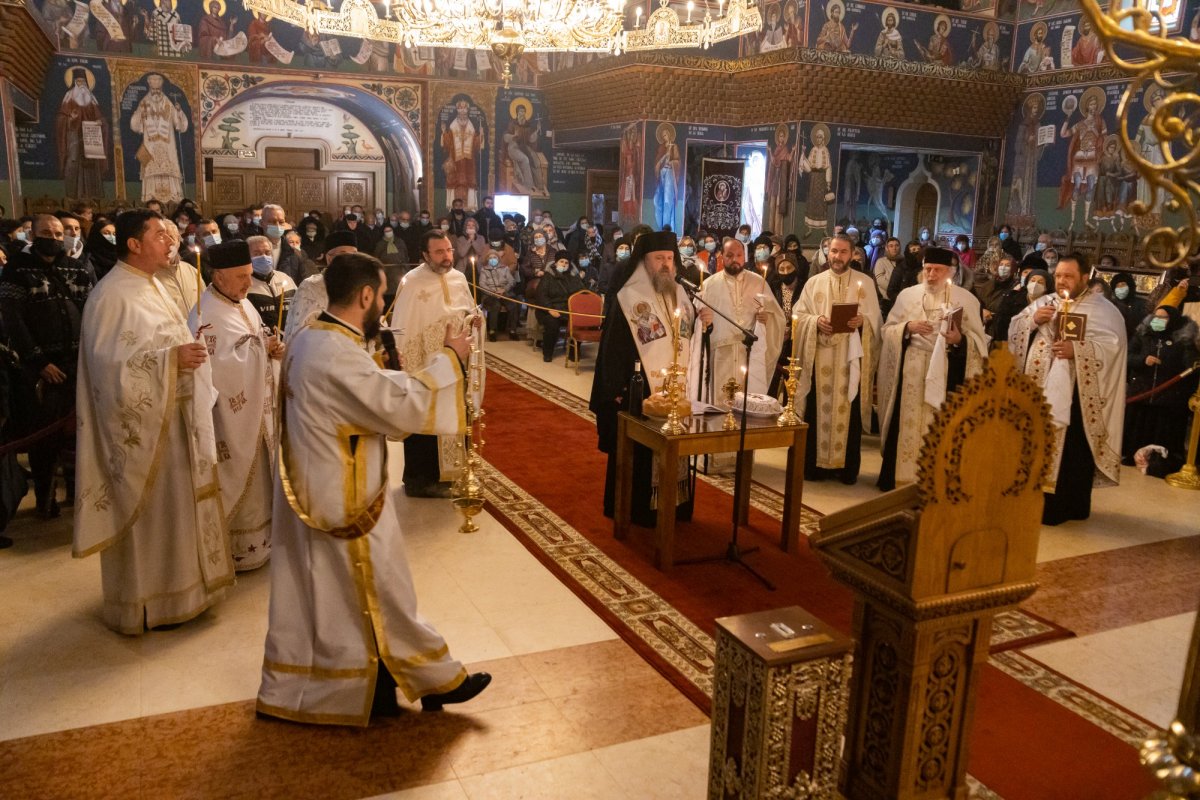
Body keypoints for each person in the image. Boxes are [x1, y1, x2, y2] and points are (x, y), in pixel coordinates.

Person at [256, 252, 490, 726]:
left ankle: (402, 682)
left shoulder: (312, 339)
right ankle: (410, 682)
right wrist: (451, 359)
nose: (382, 306)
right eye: (381, 296)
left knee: (343, 596)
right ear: (364, 295)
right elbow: (397, 405)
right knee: (379, 589)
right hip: (345, 498)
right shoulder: (335, 354)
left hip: (322, 484)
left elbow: (364, 395)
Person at [73, 209, 233, 633]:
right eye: (161, 235)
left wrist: (187, 353)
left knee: (180, 514)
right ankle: (149, 603)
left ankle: (187, 592)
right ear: (133, 244)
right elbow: (106, 369)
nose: (172, 241)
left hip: (177, 421)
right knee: (155, 519)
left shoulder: (157, 286)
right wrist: (170, 360)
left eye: (172, 234)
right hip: (144, 432)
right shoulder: (112, 295)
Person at [588, 230, 711, 525]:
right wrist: (617, 387)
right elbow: (614, 348)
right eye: (659, 259)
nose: (666, 265)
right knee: (638, 453)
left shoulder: (680, 293)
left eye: (670, 258)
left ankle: (674, 506)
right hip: (637, 389)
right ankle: (638, 510)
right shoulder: (630, 297)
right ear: (644, 262)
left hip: (675, 390)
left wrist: (704, 322)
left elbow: (684, 338)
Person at [1008, 253, 1127, 525]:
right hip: (1036, 389)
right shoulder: (1044, 302)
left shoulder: (1104, 310)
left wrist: (1079, 350)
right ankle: (1028, 500)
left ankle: (1066, 505)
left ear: (1085, 278)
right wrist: (1033, 321)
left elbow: (1113, 349)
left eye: (1069, 276)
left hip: (1077, 397)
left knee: (1072, 450)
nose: (1062, 280)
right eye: (1059, 275)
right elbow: (1014, 329)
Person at [188, 240, 282, 571]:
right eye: (241, 276)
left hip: (256, 411)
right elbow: (217, 367)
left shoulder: (241, 303)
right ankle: (238, 548)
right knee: (240, 478)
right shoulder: (207, 313)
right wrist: (260, 349)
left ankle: (263, 542)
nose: (247, 282)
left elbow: (254, 341)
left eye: (248, 275)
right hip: (228, 417)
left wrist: (271, 347)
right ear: (218, 275)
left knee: (261, 480)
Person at [0, 214, 93, 517]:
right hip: (41, 368)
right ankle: (45, 499)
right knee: (45, 437)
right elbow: (14, 321)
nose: (53, 238)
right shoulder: (17, 270)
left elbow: (90, 311)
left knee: (79, 433)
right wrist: (39, 361)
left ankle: (79, 496)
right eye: (46, 233)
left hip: (78, 362)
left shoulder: (76, 268)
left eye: (58, 233)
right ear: (33, 236)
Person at [877, 246, 987, 491]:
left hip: (946, 373)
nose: (931, 275)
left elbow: (980, 344)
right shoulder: (907, 295)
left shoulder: (966, 299)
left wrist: (959, 340)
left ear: (951, 272)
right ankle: (897, 480)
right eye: (928, 269)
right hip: (910, 373)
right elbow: (887, 330)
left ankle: (936, 482)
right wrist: (907, 327)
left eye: (938, 270)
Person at [390, 230, 477, 498]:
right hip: (424, 364)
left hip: (456, 362)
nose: (447, 257)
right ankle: (419, 480)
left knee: (455, 415)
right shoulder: (412, 282)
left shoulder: (460, 278)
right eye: (439, 252)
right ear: (425, 255)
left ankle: (452, 475)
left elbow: (468, 310)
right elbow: (402, 326)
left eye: (449, 250)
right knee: (424, 417)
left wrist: (476, 320)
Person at [791, 233, 882, 483]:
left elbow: (877, 323)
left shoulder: (865, 283)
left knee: (848, 411)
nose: (837, 257)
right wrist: (815, 321)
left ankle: (846, 468)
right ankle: (815, 467)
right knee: (815, 411)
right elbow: (797, 316)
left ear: (852, 254)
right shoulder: (814, 283)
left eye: (843, 252)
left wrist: (863, 321)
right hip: (819, 359)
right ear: (827, 252)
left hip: (849, 361)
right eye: (833, 251)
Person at [695, 237, 785, 404]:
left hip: (749, 355)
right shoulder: (708, 285)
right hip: (720, 356)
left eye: (738, 255)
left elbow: (777, 318)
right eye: (729, 255)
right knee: (719, 405)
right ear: (722, 256)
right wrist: (703, 321)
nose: (734, 259)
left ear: (744, 257)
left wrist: (766, 319)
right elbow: (697, 322)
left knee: (747, 405)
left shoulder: (759, 282)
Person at [1123, 301, 1199, 462]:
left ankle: (1158, 460)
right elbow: (1128, 356)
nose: (1157, 320)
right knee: (1138, 428)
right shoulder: (1143, 334)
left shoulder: (1183, 339)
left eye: (1163, 318)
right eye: (1155, 317)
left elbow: (1190, 366)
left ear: (1172, 320)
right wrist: (1143, 360)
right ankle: (1132, 455)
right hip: (1142, 392)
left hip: (1167, 397)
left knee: (1161, 431)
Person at [284, 231, 360, 340]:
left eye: (354, 254)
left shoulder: (359, 285)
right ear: (329, 258)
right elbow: (300, 331)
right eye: (343, 254)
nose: (351, 259)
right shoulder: (311, 286)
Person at [535, 251, 584, 362]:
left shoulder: (573, 277)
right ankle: (548, 352)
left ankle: (573, 352)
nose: (564, 264)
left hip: (568, 310)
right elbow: (541, 295)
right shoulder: (548, 276)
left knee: (580, 323)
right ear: (556, 263)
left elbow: (581, 292)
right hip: (549, 309)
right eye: (561, 261)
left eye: (566, 262)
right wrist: (550, 309)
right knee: (552, 324)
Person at [245, 234, 298, 338]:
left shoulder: (285, 278)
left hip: (290, 342)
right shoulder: (245, 285)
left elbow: (298, 309)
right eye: (257, 254)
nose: (263, 256)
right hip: (263, 344)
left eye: (267, 252)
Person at [479, 248, 518, 341]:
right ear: (487, 259)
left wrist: (504, 289)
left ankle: (512, 330)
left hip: (504, 293)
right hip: (490, 295)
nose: (493, 259)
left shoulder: (505, 268)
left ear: (498, 258)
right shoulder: (484, 269)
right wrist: (493, 292)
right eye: (490, 257)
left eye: (495, 257)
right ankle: (492, 331)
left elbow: (512, 281)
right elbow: (482, 284)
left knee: (513, 305)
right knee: (495, 305)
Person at [261, 204, 303, 283]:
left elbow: (301, 282)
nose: (277, 225)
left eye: (281, 222)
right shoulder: (250, 250)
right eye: (272, 222)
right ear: (261, 223)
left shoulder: (295, 253)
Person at [1109, 271, 1148, 339]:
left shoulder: (1141, 304)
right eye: (1117, 286)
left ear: (1130, 287)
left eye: (1123, 285)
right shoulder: (1111, 304)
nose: (1120, 288)